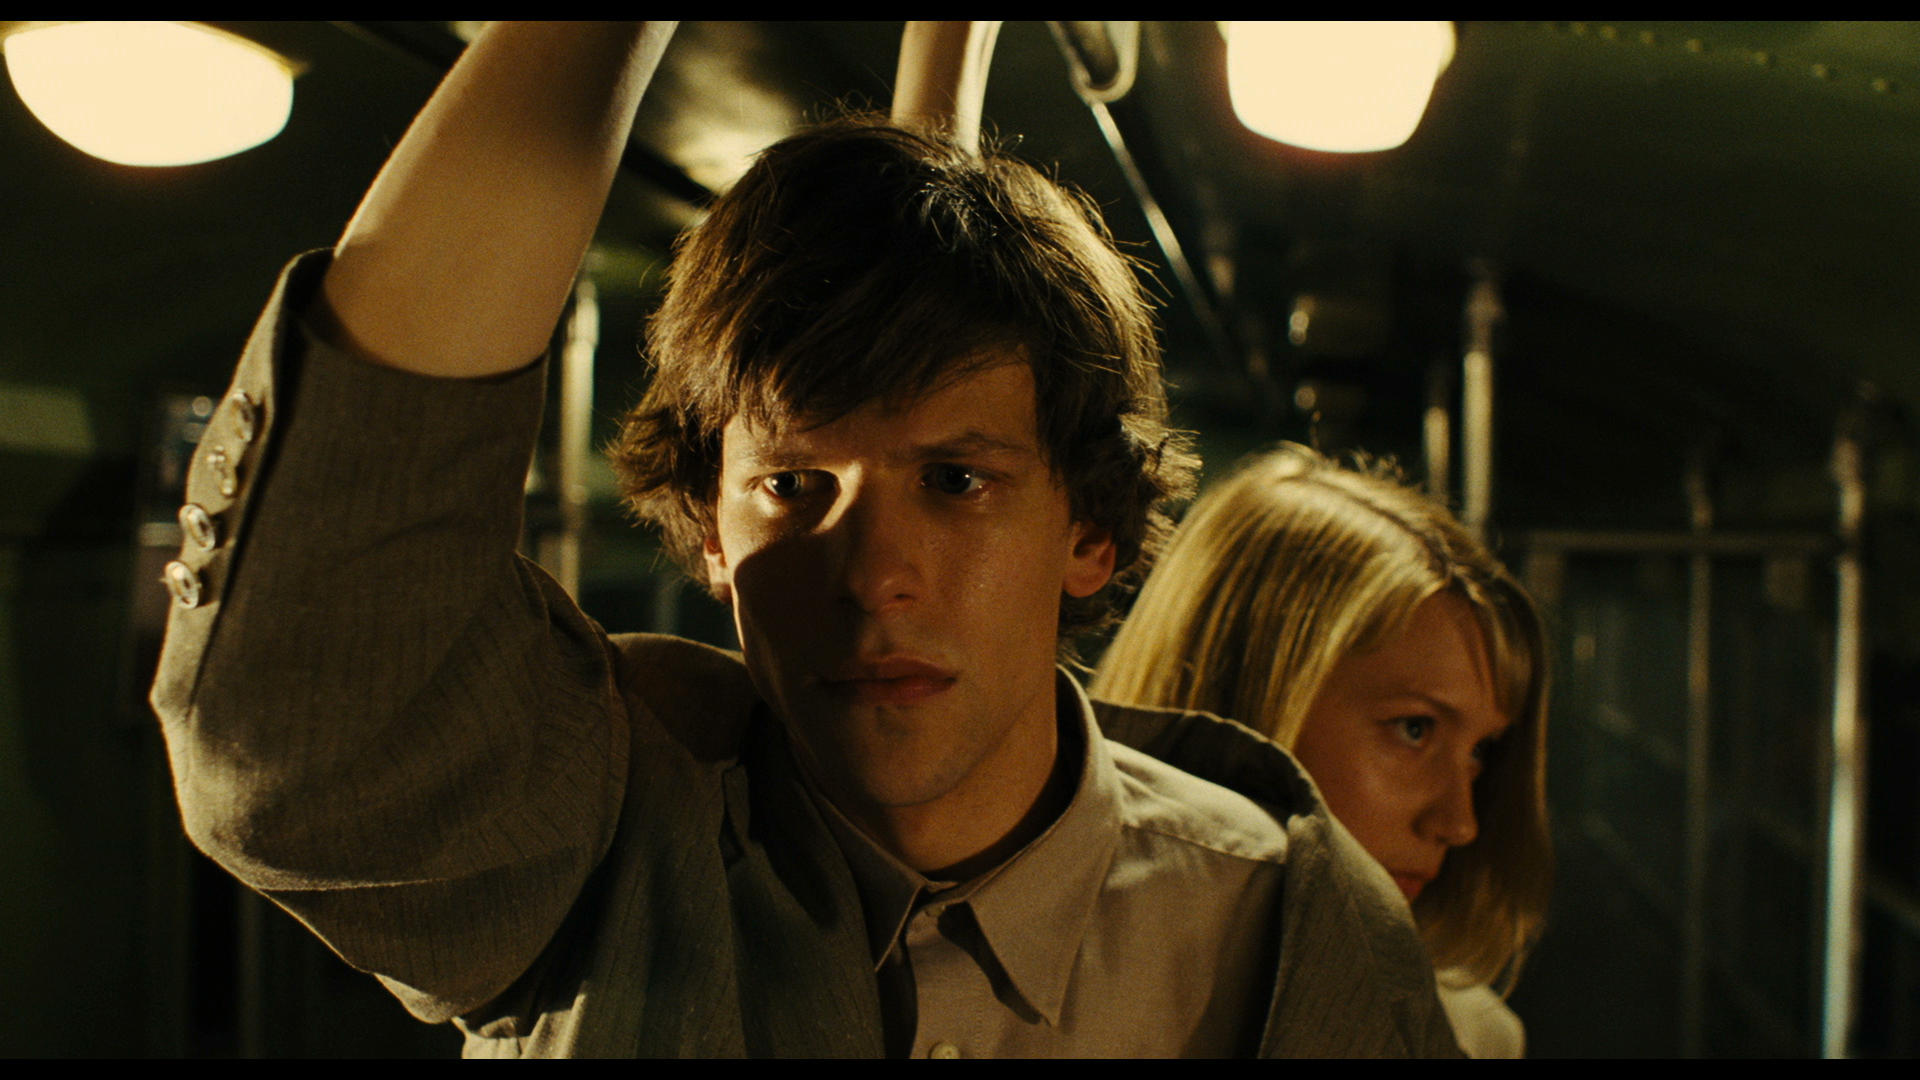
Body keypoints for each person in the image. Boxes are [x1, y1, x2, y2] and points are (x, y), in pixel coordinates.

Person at [149, 23, 1458, 1057]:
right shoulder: (606, 844)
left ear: (1092, 534)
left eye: (956, 481)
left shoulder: (1289, 935)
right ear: (708, 538)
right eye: (790, 487)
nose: (875, 575)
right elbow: (314, 696)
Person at [1092, 445, 1552, 1058]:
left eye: (1481, 752)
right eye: (1415, 730)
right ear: (1250, 696)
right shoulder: (1029, 993)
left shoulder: (1467, 1036)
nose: (1459, 822)